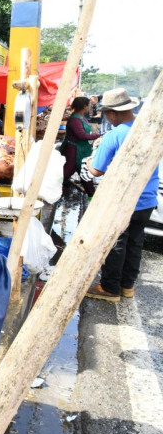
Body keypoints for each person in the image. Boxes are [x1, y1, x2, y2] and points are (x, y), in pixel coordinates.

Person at [83, 88, 159, 302]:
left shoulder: (114, 135)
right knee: (135, 242)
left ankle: (109, 287)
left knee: (116, 243)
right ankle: (127, 286)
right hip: (147, 199)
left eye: (107, 114)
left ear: (113, 113)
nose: (107, 118)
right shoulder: (149, 130)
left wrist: (89, 161)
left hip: (123, 201)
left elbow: (96, 170)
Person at [60, 96, 100, 195]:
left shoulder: (81, 117)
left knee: (82, 172)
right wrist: (97, 135)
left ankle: (91, 194)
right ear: (84, 106)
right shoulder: (75, 119)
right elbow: (81, 135)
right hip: (73, 150)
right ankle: (52, 189)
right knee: (67, 172)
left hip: (80, 149)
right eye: (88, 105)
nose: (89, 107)